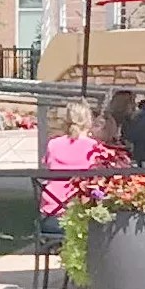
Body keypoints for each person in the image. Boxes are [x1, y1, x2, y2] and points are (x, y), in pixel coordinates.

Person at [41, 100, 101, 233]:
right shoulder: (94, 147)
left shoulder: (53, 144)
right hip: (84, 216)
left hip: (52, 215)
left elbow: (47, 165)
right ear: (89, 121)